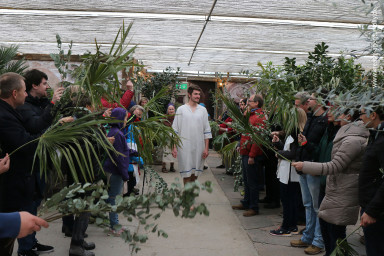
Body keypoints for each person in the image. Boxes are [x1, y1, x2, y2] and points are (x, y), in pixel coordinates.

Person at [293, 110, 369, 256]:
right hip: (334, 186)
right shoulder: (340, 133)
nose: (330, 112)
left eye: (336, 110)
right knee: (326, 226)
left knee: (335, 234)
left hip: (343, 189)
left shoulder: (353, 140)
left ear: (347, 116)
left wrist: (306, 166)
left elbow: (335, 165)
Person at [16, 69, 61, 255]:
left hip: (41, 161)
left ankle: (31, 242)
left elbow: (47, 122)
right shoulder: (26, 106)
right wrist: (52, 104)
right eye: (44, 83)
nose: (47, 87)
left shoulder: (40, 104)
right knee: (29, 204)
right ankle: (25, 248)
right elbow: (36, 125)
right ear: (34, 85)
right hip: (30, 164)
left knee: (35, 203)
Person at [0, 72, 43, 256]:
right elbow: (24, 143)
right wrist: (47, 139)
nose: (27, 95)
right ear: (15, 93)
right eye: (24, 91)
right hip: (8, 188)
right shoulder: (4, 116)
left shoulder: (9, 112)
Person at [290, 92, 328, 255]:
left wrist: (306, 144)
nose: (308, 101)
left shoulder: (324, 121)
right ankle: (308, 236)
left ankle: (318, 240)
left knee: (316, 206)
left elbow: (320, 148)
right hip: (304, 166)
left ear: (319, 101)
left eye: (311, 98)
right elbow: (303, 142)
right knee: (308, 204)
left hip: (314, 168)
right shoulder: (311, 117)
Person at [269, 107, 307, 236]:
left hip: (291, 174)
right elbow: (288, 148)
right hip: (287, 172)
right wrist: (279, 143)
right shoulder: (292, 132)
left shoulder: (298, 133)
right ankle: (290, 225)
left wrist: (279, 153)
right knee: (288, 200)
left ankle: (287, 226)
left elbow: (294, 153)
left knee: (289, 201)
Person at [232, 94, 266, 217]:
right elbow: (243, 131)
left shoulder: (259, 117)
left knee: (252, 182)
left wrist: (252, 155)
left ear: (257, 103)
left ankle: (253, 207)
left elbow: (257, 138)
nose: (247, 103)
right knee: (246, 180)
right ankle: (246, 202)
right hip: (245, 151)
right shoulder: (250, 115)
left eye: (250, 101)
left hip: (252, 155)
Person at [172, 85, 212, 185]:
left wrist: (206, 148)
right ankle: (187, 197)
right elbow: (175, 130)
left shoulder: (203, 110)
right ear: (189, 95)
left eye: (199, 94)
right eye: (195, 94)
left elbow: (206, 130)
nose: (198, 96)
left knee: (195, 174)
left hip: (199, 147)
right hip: (184, 147)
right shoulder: (181, 109)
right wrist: (174, 147)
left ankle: (190, 194)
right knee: (186, 173)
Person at [358, 106, 384, 256]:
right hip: (370, 204)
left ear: (373, 115)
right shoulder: (375, 135)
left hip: (376, 210)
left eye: (362, 114)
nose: (360, 118)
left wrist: (372, 211)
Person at [103, 108, 131, 236]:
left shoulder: (115, 131)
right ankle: (114, 226)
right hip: (116, 171)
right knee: (113, 198)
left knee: (113, 197)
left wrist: (132, 152)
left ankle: (114, 223)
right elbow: (119, 157)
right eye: (125, 118)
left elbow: (122, 151)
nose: (126, 120)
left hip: (114, 170)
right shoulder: (117, 134)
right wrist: (125, 174)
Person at [162, 103, 176, 173]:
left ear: (174, 110)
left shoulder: (177, 117)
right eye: (170, 109)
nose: (171, 110)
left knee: (173, 151)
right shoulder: (164, 117)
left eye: (172, 109)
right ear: (167, 110)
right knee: (165, 151)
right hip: (166, 136)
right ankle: (164, 167)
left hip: (174, 137)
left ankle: (172, 166)